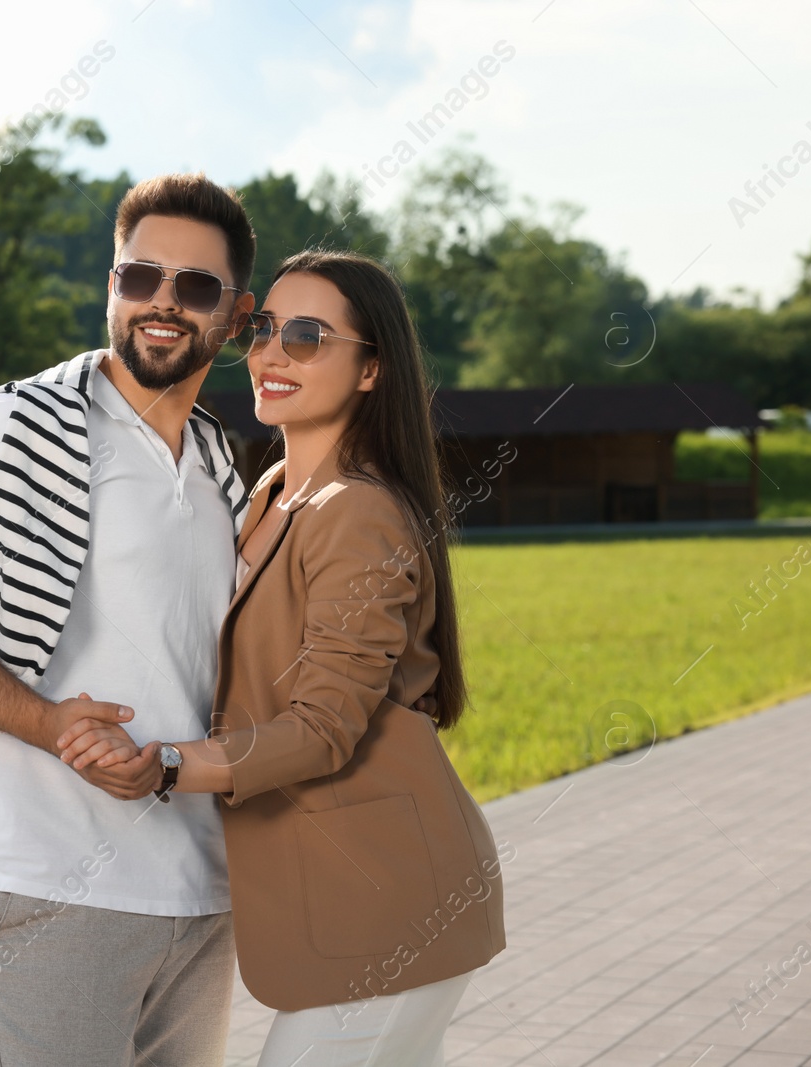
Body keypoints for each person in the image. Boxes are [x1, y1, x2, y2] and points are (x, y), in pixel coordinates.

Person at [59, 249, 508, 1066]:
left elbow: (322, 727)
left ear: (372, 370)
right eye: (264, 329)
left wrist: (164, 764)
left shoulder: (356, 510)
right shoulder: (270, 492)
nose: (270, 352)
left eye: (307, 336)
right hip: (349, 899)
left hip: (389, 900)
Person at [0, 173, 259, 1066]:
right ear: (109, 282)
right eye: (138, 276)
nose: (162, 303)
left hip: (202, 890)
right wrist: (43, 721)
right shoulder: (16, 426)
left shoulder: (223, 460)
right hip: (54, 886)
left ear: (235, 313)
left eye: (196, 287)